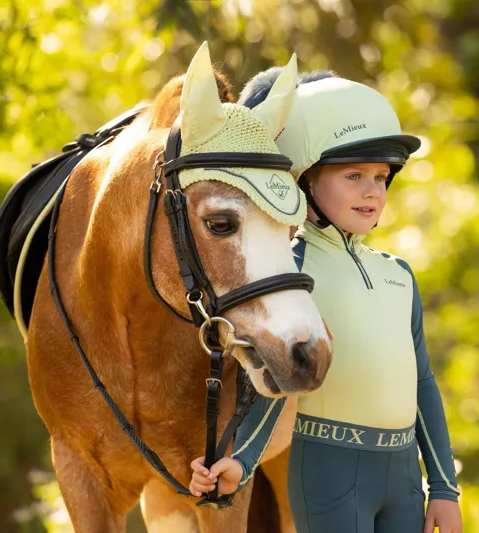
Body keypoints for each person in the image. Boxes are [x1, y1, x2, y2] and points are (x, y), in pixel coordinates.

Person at [189, 70, 463, 533]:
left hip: (402, 478)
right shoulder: (291, 271)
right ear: (305, 181)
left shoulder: (397, 275)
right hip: (329, 469)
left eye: (381, 176)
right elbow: (280, 381)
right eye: (353, 175)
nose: (373, 190)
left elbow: (421, 382)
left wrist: (443, 486)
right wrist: (243, 461)